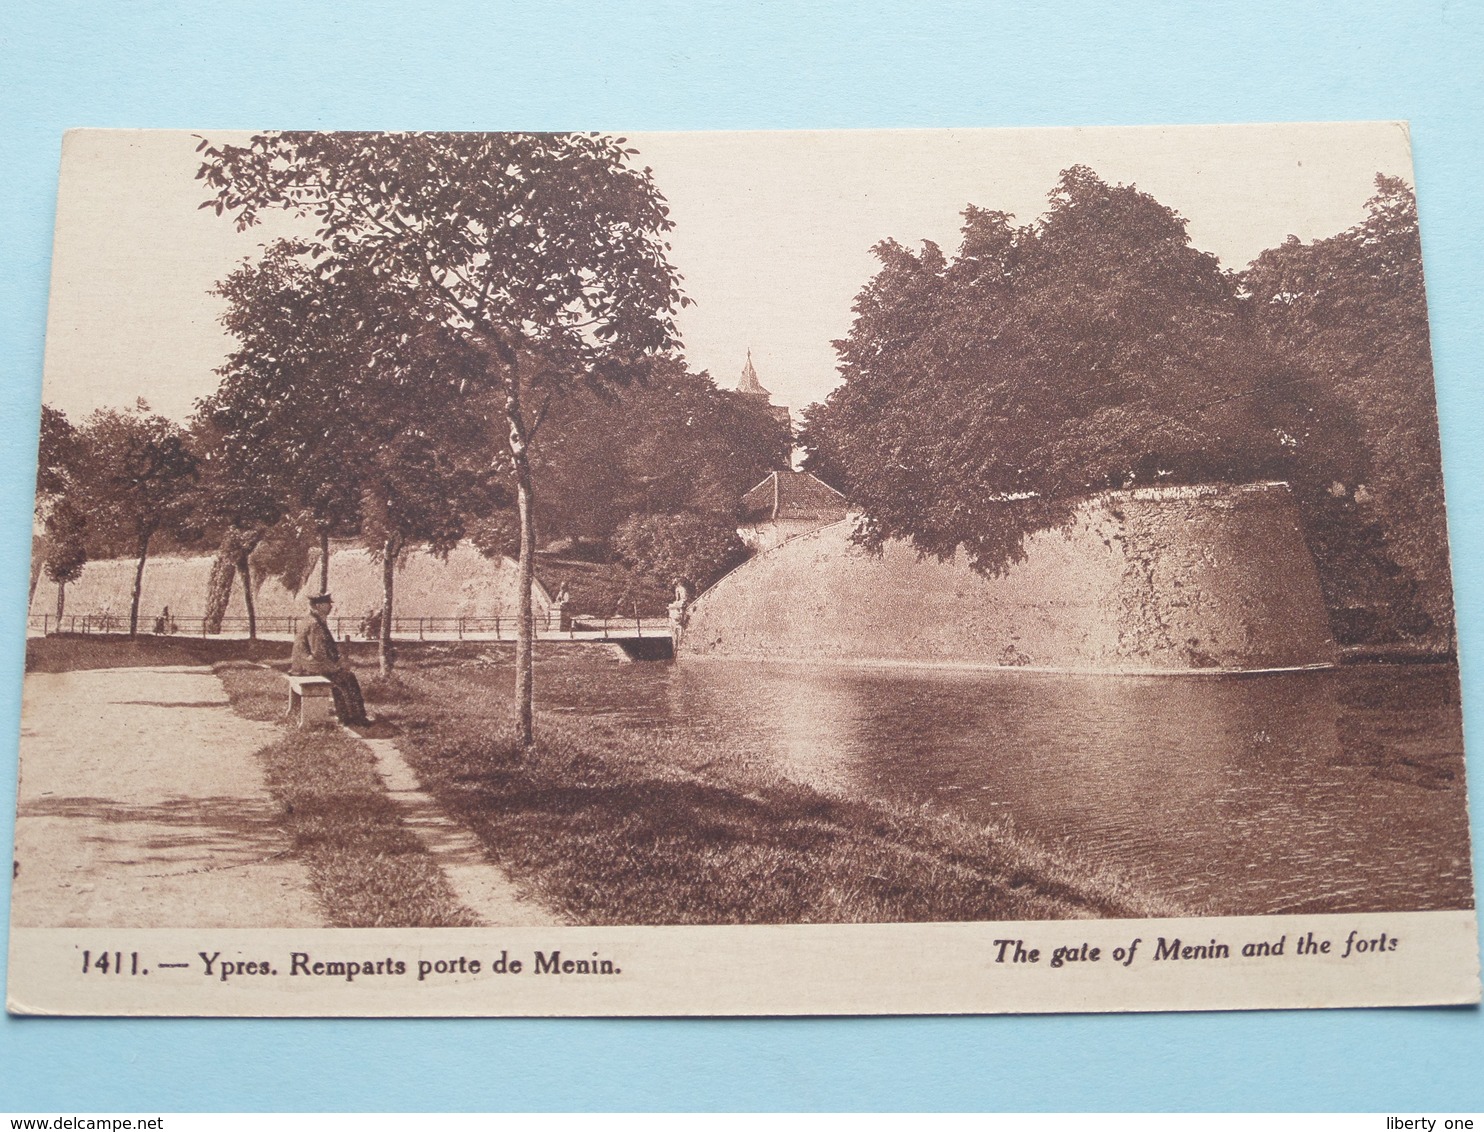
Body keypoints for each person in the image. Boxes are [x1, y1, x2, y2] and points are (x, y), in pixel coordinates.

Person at [289, 592, 369, 725]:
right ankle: (355, 718)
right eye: (328, 604)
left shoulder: (309, 620)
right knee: (347, 678)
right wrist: (336, 667)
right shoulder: (315, 624)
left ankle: (347, 716)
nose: (331, 607)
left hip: (303, 665)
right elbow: (318, 654)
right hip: (309, 667)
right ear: (319, 605)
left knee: (343, 677)